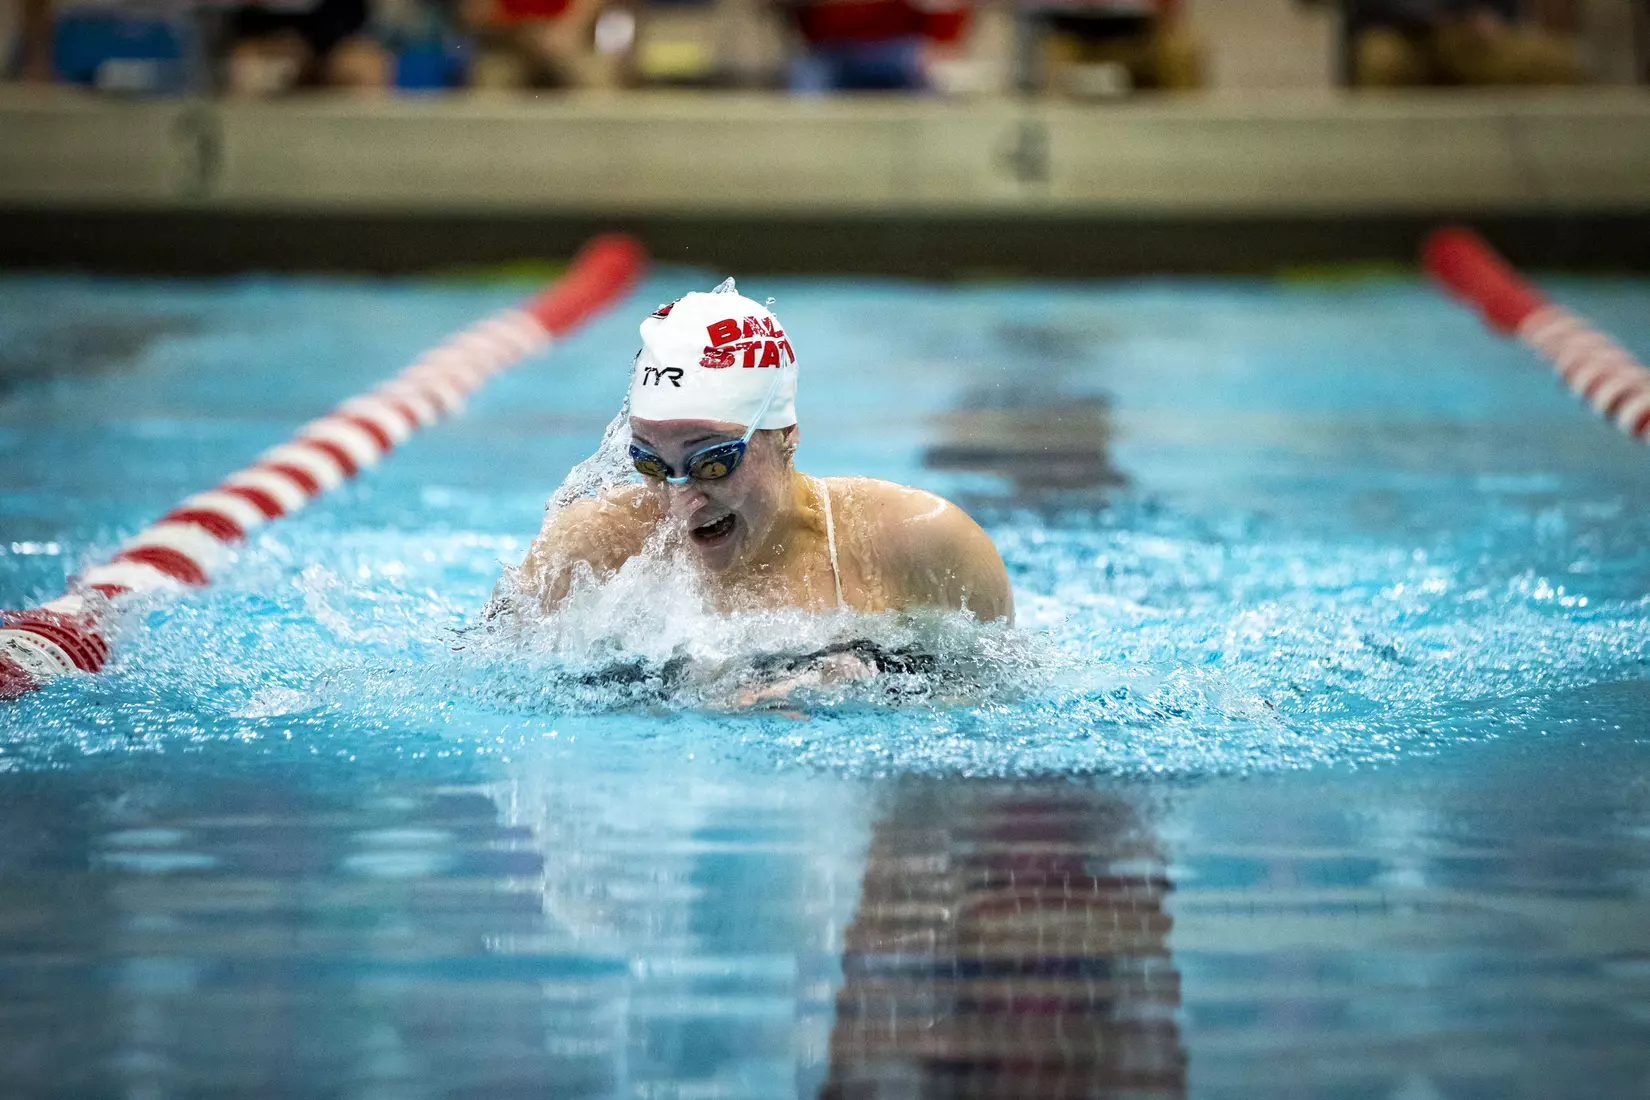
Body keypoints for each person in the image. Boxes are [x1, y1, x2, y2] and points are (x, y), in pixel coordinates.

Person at [516, 284, 1013, 632]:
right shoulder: (585, 553)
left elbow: (1002, 708)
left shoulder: (921, 546)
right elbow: (483, 680)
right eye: (651, 464)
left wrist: (867, 683)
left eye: (712, 462)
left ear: (786, 437)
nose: (680, 501)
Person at [1340, 0, 1579, 86]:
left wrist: (1493, 12)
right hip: (1395, 30)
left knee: (1554, 63)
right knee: (1383, 62)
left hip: (1470, 31)